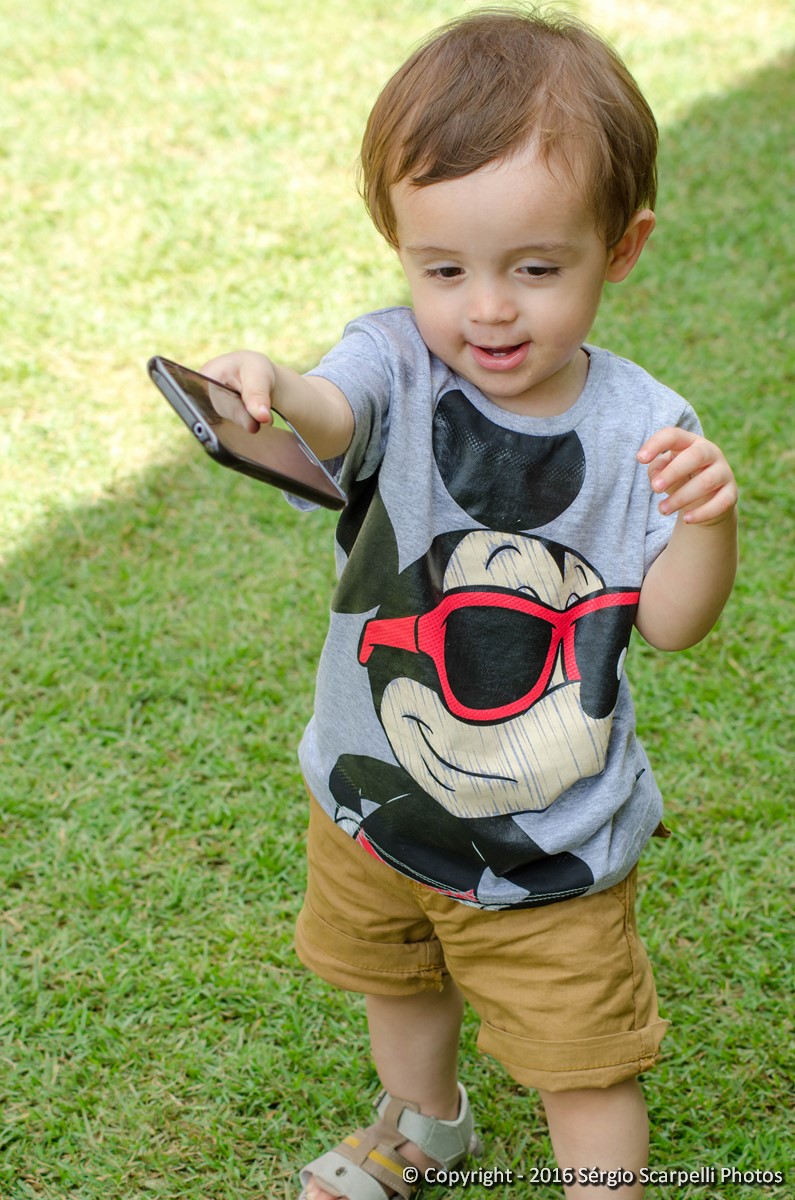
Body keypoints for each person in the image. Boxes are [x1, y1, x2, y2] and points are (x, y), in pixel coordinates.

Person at [203, 8, 738, 1198]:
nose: (486, 308)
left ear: (622, 247)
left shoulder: (643, 430)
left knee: (582, 1064)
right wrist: (272, 383)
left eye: (535, 269)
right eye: (443, 269)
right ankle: (423, 1125)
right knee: (397, 987)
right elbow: (332, 410)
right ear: (399, 247)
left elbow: (674, 622)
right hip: (376, 800)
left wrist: (706, 522)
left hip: (550, 848)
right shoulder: (394, 361)